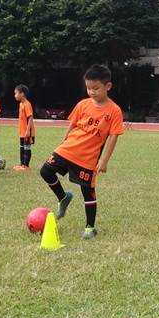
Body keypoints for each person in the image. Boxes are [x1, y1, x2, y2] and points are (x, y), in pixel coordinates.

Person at [40, 65, 124, 240]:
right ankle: (63, 198)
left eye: (96, 88)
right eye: (88, 88)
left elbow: (113, 137)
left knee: (88, 191)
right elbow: (72, 125)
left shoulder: (114, 111)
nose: (91, 92)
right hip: (69, 148)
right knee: (45, 170)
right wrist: (63, 142)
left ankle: (90, 227)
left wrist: (104, 160)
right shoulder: (82, 104)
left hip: (88, 158)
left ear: (107, 86)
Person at [13, 84, 35, 171]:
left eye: (16, 93)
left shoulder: (27, 104)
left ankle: (26, 166)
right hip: (22, 131)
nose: (15, 95)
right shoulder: (21, 104)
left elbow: (30, 117)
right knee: (21, 147)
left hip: (27, 131)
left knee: (27, 147)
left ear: (22, 94)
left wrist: (28, 131)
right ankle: (22, 164)